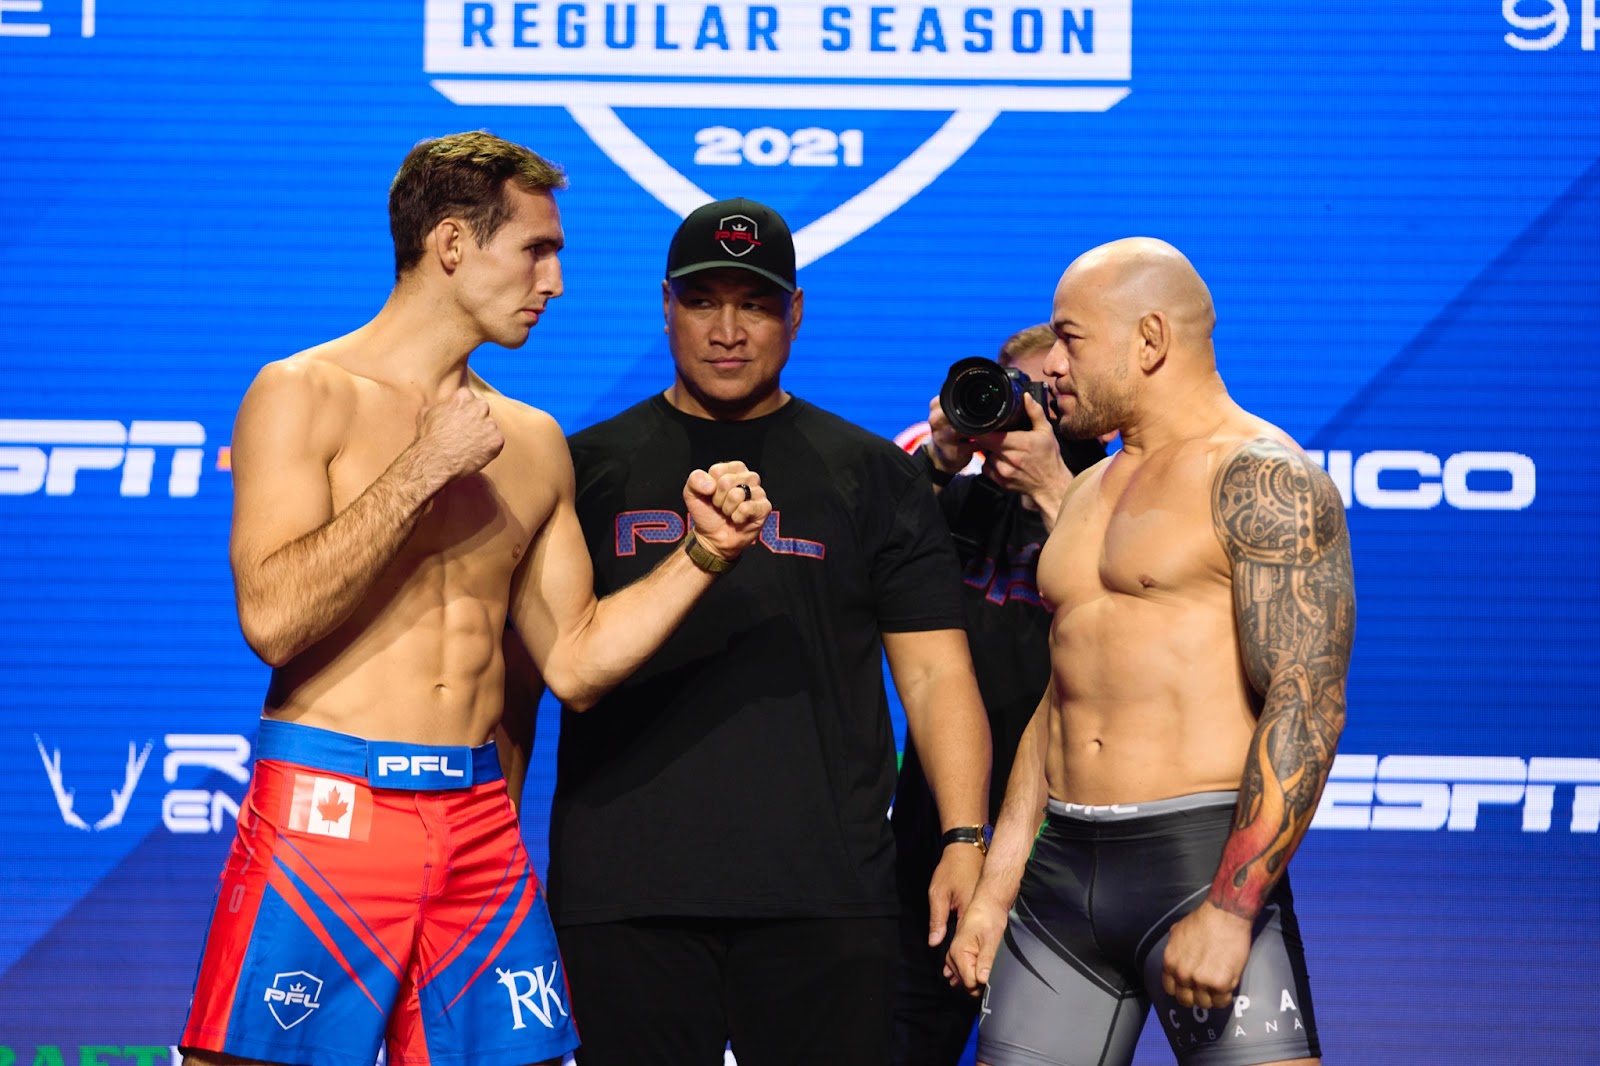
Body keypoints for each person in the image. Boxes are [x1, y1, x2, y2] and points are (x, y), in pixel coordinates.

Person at [178, 132, 771, 1066]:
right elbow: (274, 620)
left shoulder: (531, 441)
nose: (555, 282)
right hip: (329, 809)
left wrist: (704, 555)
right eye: (536, 250)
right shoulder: (304, 392)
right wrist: (422, 469)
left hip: (476, 818)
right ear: (452, 244)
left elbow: (575, 663)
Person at [542, 197, 993, 1066]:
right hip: (625, 893)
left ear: (795, 312)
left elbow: (936, 676)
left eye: (753, 304)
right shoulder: (583, 467)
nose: (727, 331)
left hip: (826, 894)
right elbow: (535, 676)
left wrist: (964, 839)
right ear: (665, 306)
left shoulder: (874, 474)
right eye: (703, 302)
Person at [945, 237, 1355, 1066]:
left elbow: (1306, 700)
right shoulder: (1086, 493)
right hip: (1058, 879)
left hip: (1196, 866)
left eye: (1070, 338)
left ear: (1151, 339)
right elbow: (1059, 705)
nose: (1051, 366)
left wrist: (1233, 908)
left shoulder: (1262, 478)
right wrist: (995, 890)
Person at [891, 324, 1108, 1066]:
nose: (1030, 408)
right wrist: (939, 460)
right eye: (1013, 392)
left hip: (1068, 853)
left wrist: (1051, 488)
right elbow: (860, 562)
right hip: (936, 844)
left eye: (1049, 393)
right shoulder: (953, 504)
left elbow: (1131, 613)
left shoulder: (1126, 503)